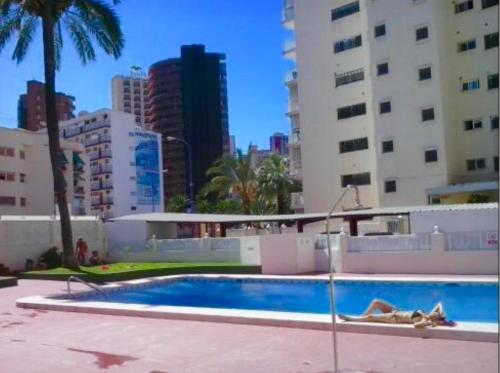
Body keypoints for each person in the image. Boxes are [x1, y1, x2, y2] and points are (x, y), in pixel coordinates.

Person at [338, 299, 456, 329]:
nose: (433, 313)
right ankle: (360, 316)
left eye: (436, 315)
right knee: (376, 302)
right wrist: (441, 313)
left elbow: (416, 326)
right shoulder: (427, 315)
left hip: (394, 318)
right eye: (435, 313)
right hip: (397, 311)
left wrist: (431, 322)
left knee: (371, 317)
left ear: (436, 319)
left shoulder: (426, 321)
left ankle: (350, 319)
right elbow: (439, 304)